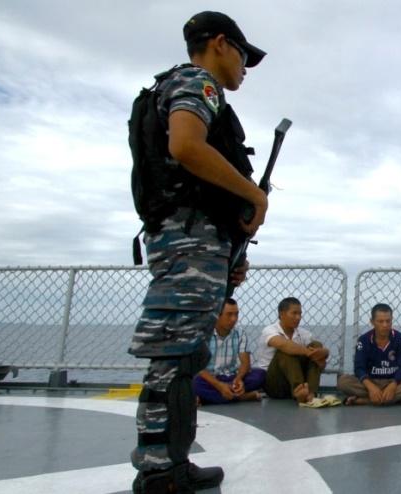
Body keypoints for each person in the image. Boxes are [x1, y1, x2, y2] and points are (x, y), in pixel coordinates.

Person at [127, 11, 267, 494]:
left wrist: (228, 254)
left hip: (192, 241)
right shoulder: (198, 83)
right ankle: (161, 470)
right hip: (190, 241)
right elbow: (186, 145)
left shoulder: (176, 85)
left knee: (182, 356)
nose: (246, 66)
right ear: (221, 44)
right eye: (245, 55)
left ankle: (167, 463)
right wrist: (255, 196)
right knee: (175, 358)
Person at [337, 303, 401, 405]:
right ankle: (393, 400)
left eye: (388, 321)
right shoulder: (364, 340)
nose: (385, 325)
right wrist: (371, 387)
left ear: (392, 320)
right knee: (343, 382)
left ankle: (364, 400)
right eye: (380, 321)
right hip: (370, 381)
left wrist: (393, 385)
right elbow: (359, 368)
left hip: (392, 382)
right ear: (372, 322)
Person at [254, 297, 329, 405]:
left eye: (300, 314)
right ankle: (299, 392)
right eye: (294, 313)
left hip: (302, 380)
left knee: (316, 345)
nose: (298, 317)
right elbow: (284, 345)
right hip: (275, 385)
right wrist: (309, 353)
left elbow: (320, 366)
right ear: (281, 314)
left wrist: (323, 354)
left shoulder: (305, 335)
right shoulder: (269, 330)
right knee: (286, 350)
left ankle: (310, 393)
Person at [192, 298, 265, 404]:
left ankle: (210, 398)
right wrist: (219, 386)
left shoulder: (240, 333)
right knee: (195, 383)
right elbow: (198, 367)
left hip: (231, 377)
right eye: (229, 314)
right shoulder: (203, 334)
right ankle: (241, 397)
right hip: (209, 379)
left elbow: (245, 364)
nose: (234, 319)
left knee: (260, 375)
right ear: (217, 315)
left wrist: (239, 379)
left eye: (236, 314)